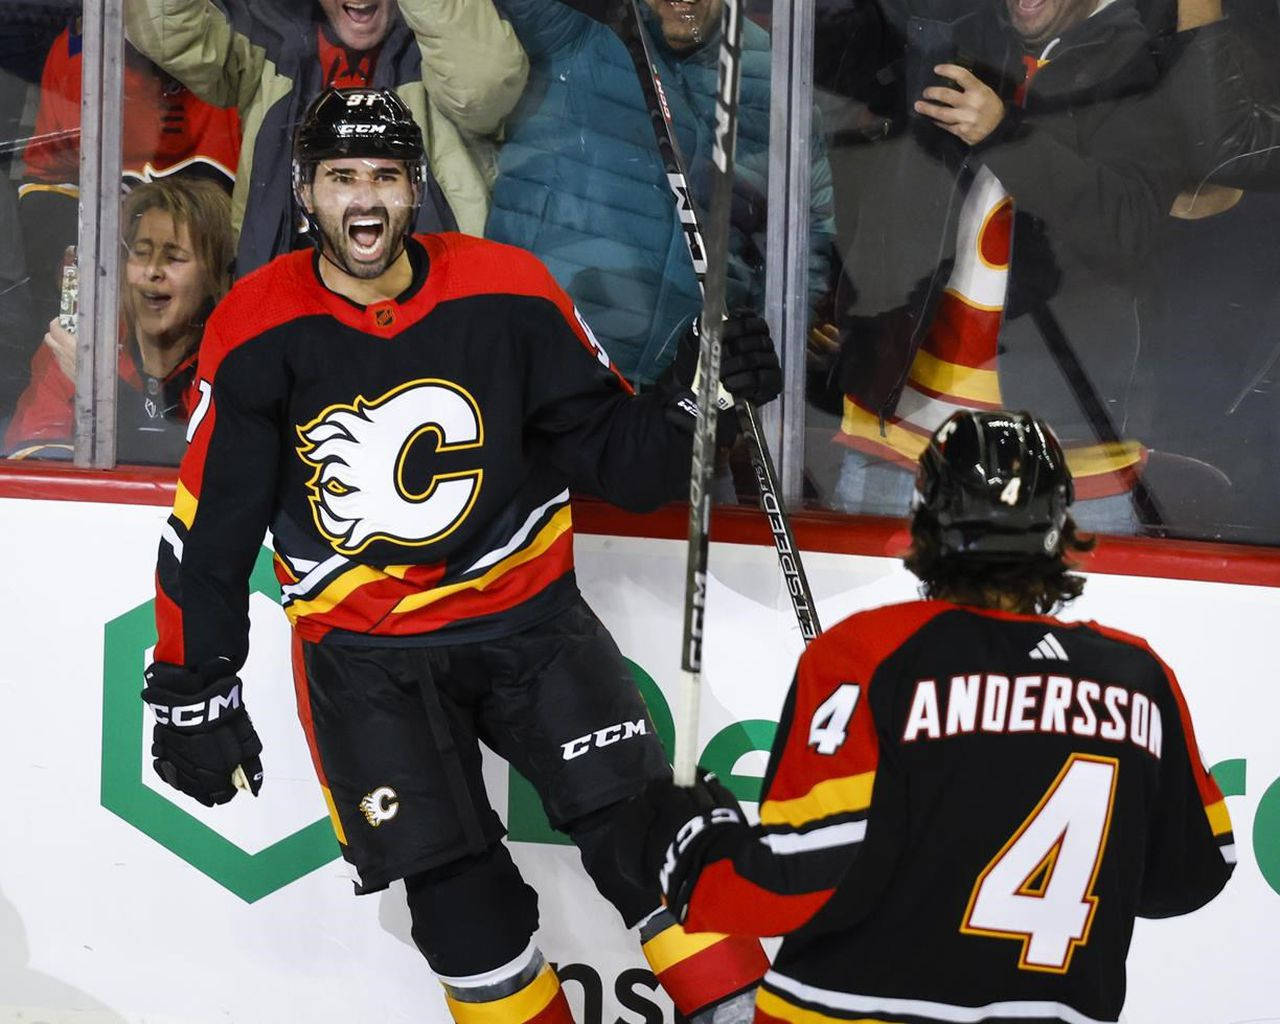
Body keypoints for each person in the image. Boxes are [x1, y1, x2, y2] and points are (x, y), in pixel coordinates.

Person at [138, 88, 780, 1024]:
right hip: (367, 664)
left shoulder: (508, 290)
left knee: (648, 837)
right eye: (342, 178)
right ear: (305, 192)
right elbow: (211, 530)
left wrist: (697, 403)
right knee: (459, 911)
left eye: (387, 178)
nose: (365, 201)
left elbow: (621, 460)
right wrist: (195, 682)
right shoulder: (255, 324)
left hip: (532, 629)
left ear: (417, 187)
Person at [623, 409, 1236, 1024]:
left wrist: (691, 841)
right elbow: (1193, 876)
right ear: (1062, 527)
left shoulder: (872, 653)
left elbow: (790, 884)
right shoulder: (1137, 677)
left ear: (924, 524)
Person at [485, 0, 836, 390]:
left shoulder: (777, 84)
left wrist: (755, 362)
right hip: (541, 362)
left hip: (678, 393)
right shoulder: (579, 26)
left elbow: (805, 246)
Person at [122, 0, 528, 274]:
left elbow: (486, 84)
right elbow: (167, 28)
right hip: (294, 319)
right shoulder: (271, 49)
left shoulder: (440, 56)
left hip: (433, 313)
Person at [17, 19, 241, 371]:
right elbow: (48, 181)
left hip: (226, 325)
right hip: (117, 316)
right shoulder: (80, 52)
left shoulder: (249, 58)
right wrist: (74, 269)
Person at [5, 177, 233, 463]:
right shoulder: (81, 342)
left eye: (174, 257)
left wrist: (100, 386)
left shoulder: (235, 359)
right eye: (141, 253)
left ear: (213, 275)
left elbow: (216, 469)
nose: (152, 271)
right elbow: (32, 463)